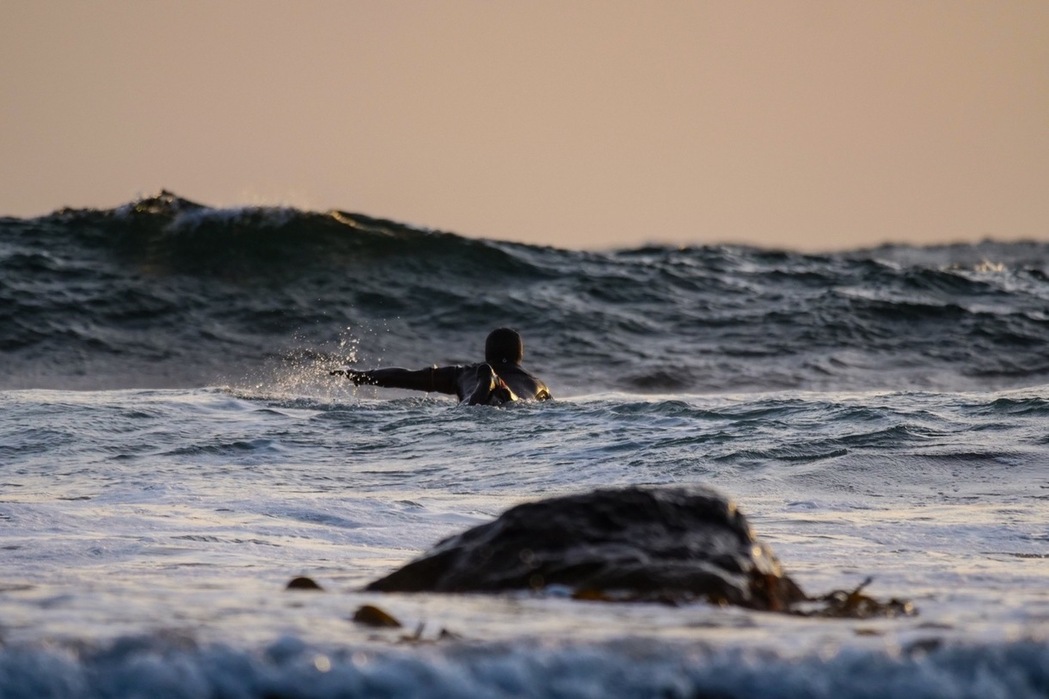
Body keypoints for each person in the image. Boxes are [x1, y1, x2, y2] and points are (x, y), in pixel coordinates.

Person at [331, 328, 552, 406]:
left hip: (476, 396)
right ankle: (502, 389)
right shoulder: (538, 384)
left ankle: (491, 383)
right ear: (519, 355)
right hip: (514, 401)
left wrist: (362, 376)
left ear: (487, 353)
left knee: (474, 405)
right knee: (513, 403)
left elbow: (407, 377)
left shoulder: (461, 373)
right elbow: (554, 411)